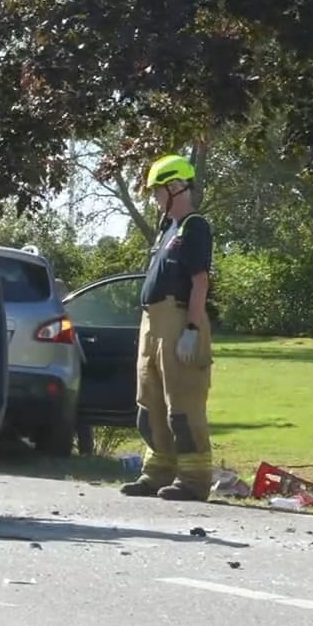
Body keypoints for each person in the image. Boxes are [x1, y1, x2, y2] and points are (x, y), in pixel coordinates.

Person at [120, 153, 216, 502]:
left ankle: (193, 480)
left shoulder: (194, 227)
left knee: (183, 403)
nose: (156, 198)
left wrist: (191, 328)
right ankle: (157, 471)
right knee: (150, 403)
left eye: (159, 191)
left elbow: (199, 282)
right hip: (152, 322)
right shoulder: (167, 230)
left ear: (176, 187)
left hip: (178, 319)